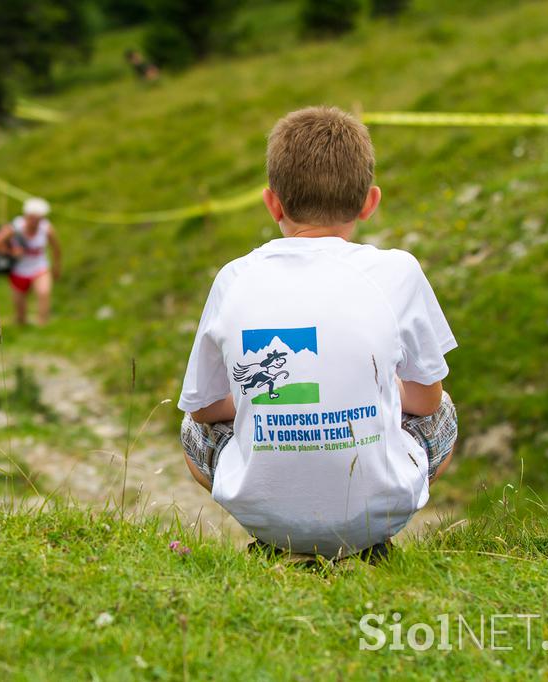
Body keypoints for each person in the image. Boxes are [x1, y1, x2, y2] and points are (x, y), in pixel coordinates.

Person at [178, 107, 458, 559]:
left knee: (190, 425)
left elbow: (205, 409)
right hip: (373, 516)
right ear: (370, 202)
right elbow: (425, 403)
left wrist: (259, 397)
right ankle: (367, 540)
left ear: (272, 203)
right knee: (443, 407)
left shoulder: (234, 277)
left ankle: (277, 538)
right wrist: (370, 389)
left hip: (264, 513)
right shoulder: (398, 271)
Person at [0, 198, 61, 326]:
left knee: (44, 293)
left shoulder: (47, 228)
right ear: (26, 216)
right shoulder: (15, 227)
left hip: (40, 268)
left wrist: (56, 266)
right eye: (32, 217)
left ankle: (43, 326)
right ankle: (21, 325)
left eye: (38, 218)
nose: (34, 221)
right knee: (20, 311)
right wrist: (11, 253)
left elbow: (56, 247)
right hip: (19, 271)